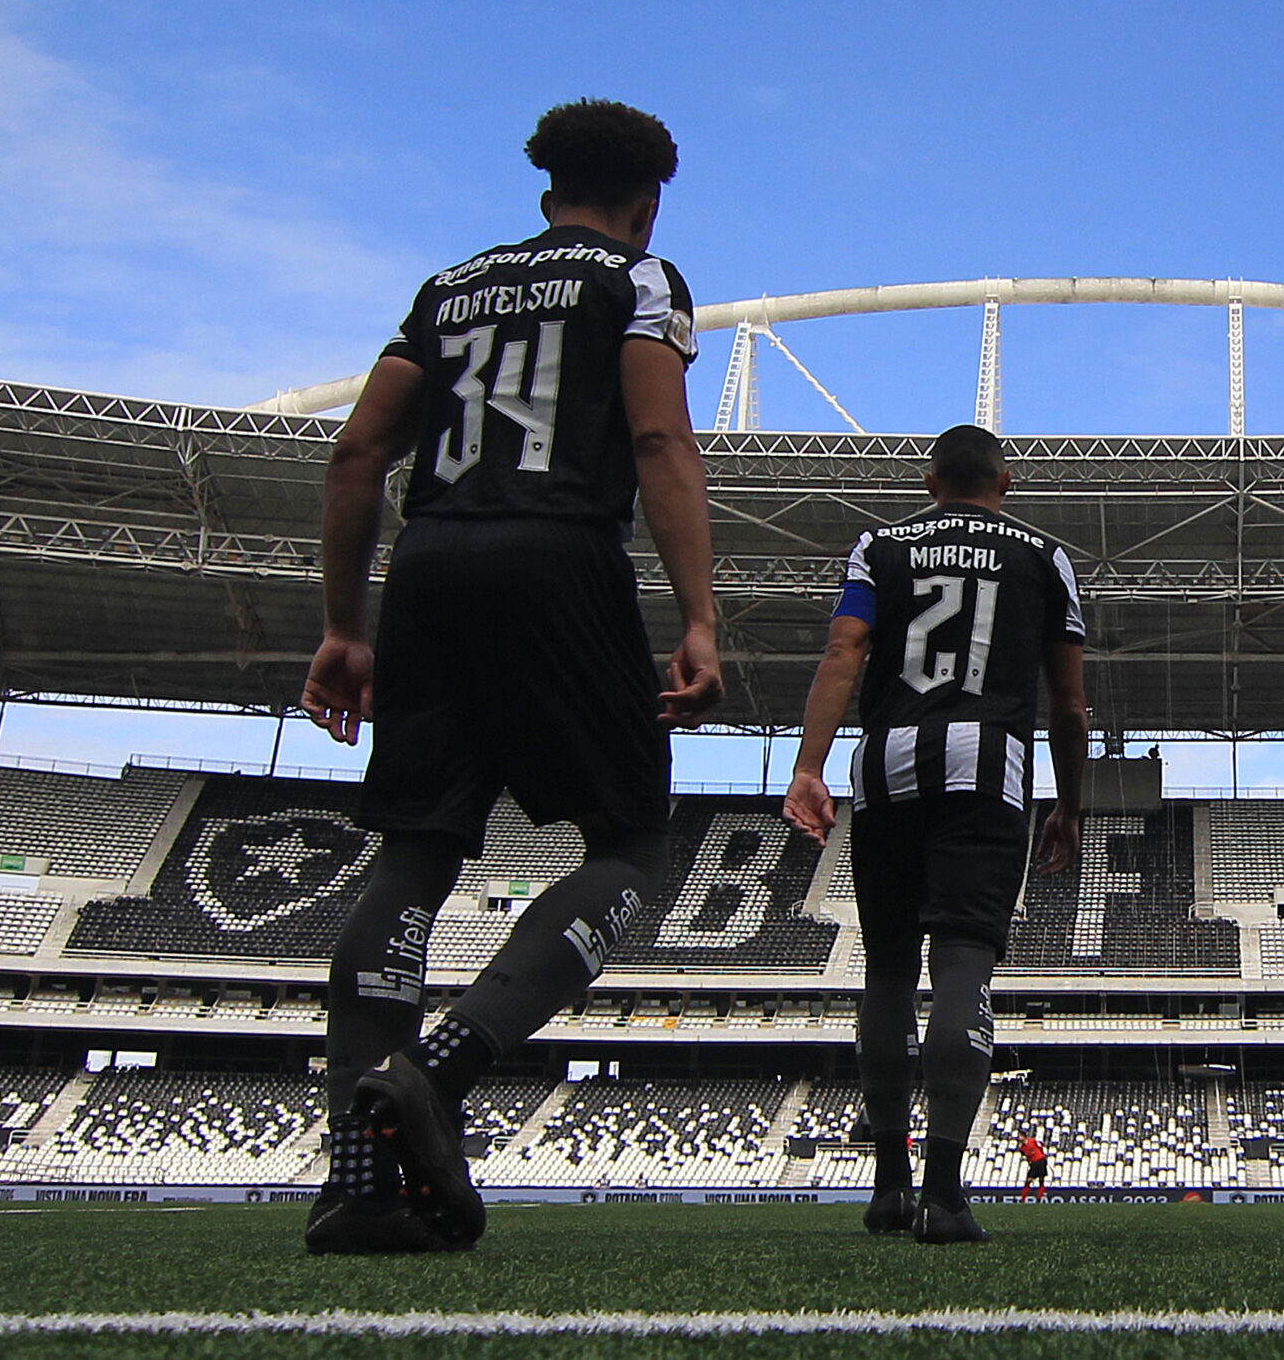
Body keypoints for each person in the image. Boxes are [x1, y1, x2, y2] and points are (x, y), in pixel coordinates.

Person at [297, 98, 721, 1254]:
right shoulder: (638, 279)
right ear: (644, 205)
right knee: (631, 842)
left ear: (544, 189)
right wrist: (698, 617)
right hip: (559, 561)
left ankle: (358, 1178)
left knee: (418, 852)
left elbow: (354, 455)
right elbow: (656, 442)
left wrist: (345, 626)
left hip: (428, 568)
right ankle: (441, 1068)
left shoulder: (446, 290)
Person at [784, 424, 1088, 1243]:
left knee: (886, 968)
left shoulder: (877, 547)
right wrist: (1071, 803)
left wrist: (808, 766)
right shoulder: (1044, 557)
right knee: (961, 959)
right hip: (989, 764)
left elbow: (845, 650)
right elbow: (1067, 703)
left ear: (929, 481)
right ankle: (944, 1195)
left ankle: (887, 1186)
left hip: (886, 761)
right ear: (1007, 480)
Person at [1017, 1128, 1050, 1200]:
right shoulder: (1022, 1148)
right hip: (1034, 1163)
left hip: (1040, 1160)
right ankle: (1023, 1198)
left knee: (1041, 1179)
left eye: (1019, 1136)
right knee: (1028, 1180)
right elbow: (1027, 1156)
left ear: (1023, 1136)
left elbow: (1040, 1147)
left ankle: (1040, 1196)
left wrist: (1042, 1156)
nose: (1018, 1138)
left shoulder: (1032, 1141)